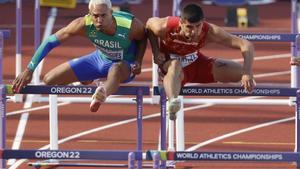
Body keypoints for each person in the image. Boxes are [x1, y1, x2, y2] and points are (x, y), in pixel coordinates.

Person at [12, 0, 147, 112]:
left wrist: (138, 61)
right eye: (95, 16)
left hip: (124, 65)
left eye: (103, 16)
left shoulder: (130, 25)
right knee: (49, 80)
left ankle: (102, 93)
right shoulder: (83, 24)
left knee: (116, 68)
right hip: (100, 59)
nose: (99, 20)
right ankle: (92, 77)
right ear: (89, 14)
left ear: (111, 13)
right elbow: (50, 42)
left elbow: (143, 38)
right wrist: (29, 69)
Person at [146, 3, 256, 120]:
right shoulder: (165, 26)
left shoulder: (210, 31)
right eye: (189, 27)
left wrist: (247, 72)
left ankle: (245, 75)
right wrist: (156, 51)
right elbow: (149, 25)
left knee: (240, 72)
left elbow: (246, 44)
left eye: (198, 26)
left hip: (196, 63)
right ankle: (173, 102)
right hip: (173, 67)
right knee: (175, 65)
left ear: (203, 22)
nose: (194, 31)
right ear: (181, 23)